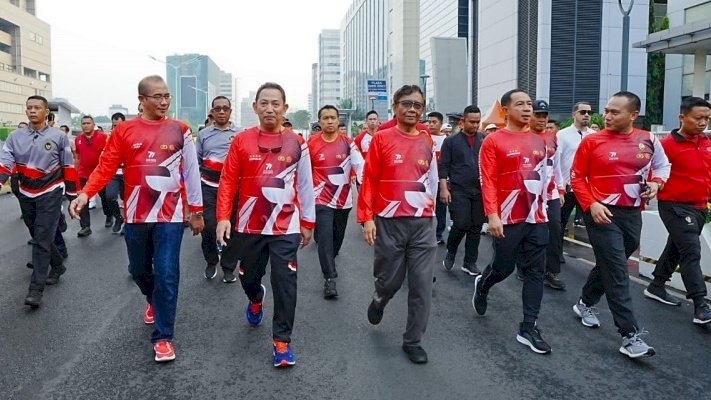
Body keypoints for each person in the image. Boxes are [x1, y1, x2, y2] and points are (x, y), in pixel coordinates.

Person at [70, 75, 204, 363]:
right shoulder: (124, 131)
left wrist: (197, 210)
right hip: (137, 214)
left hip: (171, 215)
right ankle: (152, 298)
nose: (164, 101)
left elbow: (192, 173)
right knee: (138, 269)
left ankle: (164, 337)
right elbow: (106, 167)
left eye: (167, 96)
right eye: (157, 96)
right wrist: (85, 194)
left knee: (167, 272)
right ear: (141, 100)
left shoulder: (180, 129)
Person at [216, 82, 315, 368]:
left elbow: (307, 186)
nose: (270, 108)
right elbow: (228, 181)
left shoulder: (297, 142)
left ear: (285, 108)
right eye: (264, 103)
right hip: (249, 225)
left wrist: (307, 221)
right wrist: (224, 216)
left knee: (285, 283)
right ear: (255, 107)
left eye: (276, 103)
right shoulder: (241, 141)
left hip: (286, 226)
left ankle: (282, 342)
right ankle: (256, 297)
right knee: (249, 276)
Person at [570, 91, 670, 359]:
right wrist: (591, 204)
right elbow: (577, 177)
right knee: (617, 271)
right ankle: (629, 335)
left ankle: (585, 302)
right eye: (606, 110)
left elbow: (662, 166)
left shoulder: (648, 139)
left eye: (615, 112)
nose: (607, 116)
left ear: (633, 115)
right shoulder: (592, 141)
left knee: (610, 263)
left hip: (630, 213)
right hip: (600, 211)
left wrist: (656, 184)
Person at [358, 85, 438, 364]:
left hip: (423, 223)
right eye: (407, 104)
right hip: (389, 221)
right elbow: (369, 179)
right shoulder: (381, 139)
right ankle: (380, 298)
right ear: (394, 107)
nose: (413, 109)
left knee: (421, 285)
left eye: (418, 105)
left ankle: (413, 340)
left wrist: (432, 213)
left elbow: (432, 179)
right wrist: (367, 217)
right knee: (390, 281)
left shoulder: (428, 140)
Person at [472, 89, 552, 355]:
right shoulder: (494, 141)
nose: (527, 109)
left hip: (536, 217)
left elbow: (545, 176)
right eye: (520, 104)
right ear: (505, 111)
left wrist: (551, 201)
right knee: (503, 268)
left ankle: (529, 326)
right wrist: (492, 214)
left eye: (529, 104)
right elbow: (488, 180)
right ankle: (483, 285)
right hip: (507, 218)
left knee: (535, 273)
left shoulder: (542, 140)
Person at [0, 95, 80, 307]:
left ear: (46, 112)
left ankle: (35, 290)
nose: (33, 111)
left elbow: (68, 167)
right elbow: (5, 162)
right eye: (29, 108)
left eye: (37, 108)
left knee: (42, 237)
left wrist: (73, 198)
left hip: (51, 191)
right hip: (26, 192)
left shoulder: (59, 137)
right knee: (36, 233)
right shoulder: (15, 137)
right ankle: (57, 264)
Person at [643, 96, 711, 325]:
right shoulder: (667, 145)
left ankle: (656, 285)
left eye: (707, 118)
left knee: (677, 246)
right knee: (691, 250)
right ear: (682, 117)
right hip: (674, 206)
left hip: (700, 206)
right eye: (698, 118)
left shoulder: (707, 142)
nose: (703, 123)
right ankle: (701, 305)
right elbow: (654, 171)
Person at [309, 105, 363, 299]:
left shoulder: (349, 143)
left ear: (338, 120)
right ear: (320, 121)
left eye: (333, 118)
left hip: (343, 200)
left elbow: (360, 166)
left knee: (336, 240)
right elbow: (304, 173)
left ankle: (330, 259)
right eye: (326, 118)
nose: (330, 121)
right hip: (320, 198)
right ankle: (329, 277)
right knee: (324, 236)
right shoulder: (311, 144)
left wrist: (364, 188)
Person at [195, 96, 238, 280]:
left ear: (230, 111)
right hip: (208, 187)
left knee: (231, 228)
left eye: (225, 108)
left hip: (232, 189)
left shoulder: (240, 134)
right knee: (209, 227)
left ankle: (228, 267)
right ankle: (211, 261)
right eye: (217, 109)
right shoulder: (204, 134)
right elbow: (195, 161)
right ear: (211, 112)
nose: (221, 112)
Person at [439, 106, 485, 276]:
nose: (475, 125)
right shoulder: (450, 141)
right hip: (458, 189)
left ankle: (469, 262)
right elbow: (443, 166)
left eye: (477, 122)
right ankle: (451, 251)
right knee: (461, 223)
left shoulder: (484, 139)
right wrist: (444, 188)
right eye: (472, 122)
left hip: (479, 190)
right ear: (462, 122)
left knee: (476, 227)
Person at [526, 100, 566, 290]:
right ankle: (523, 265)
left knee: (555, 231)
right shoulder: (523, 137)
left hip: (551, 195)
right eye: (538, 115)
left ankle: (551, 271)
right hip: (527, 195)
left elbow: (556, 166)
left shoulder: (552, 138)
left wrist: (560, 189)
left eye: (545, 116)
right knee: (528, 231)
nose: (542, 119)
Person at [557, 102, 595, 250]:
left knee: (592, 222)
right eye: (583, 112)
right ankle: (556, 254)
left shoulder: (594, 136)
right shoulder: (562, 135)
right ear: (574, 114)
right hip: (567, 186)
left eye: (589, 113)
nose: (586, 115)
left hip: (587, 188)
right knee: (560, 221)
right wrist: (560, 183)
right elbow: (556, 162)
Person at [74, 115, 115, 237]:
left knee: (105, 197)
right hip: (83, 173)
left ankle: (109, 215)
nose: (85, 125)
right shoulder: (78, 139)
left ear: (93, 124)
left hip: (100, 174)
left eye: (88, 123)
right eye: (83, 123)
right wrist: (75, 172)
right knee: (83, 199)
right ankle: (85, 226)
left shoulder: (103, 137)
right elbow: (77, 157)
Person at [426, 111, 448, 244]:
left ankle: (439, 234)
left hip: (442, 181)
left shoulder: (447, 140)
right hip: (426, 181)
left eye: (434, 122)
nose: (431, 125)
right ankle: (425, 233)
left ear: (440, 123)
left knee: (440, 209)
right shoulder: (424, 138)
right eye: (429, 122)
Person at [105, 113, 126, 234]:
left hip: (127, 171)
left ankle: (127, 224)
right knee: (109, 196)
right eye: (114, 126)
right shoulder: (109, 137)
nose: (116, 128)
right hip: (113, 171)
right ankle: (118, 217)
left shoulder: (131, 135)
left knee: (127, 199)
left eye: (119, 125)